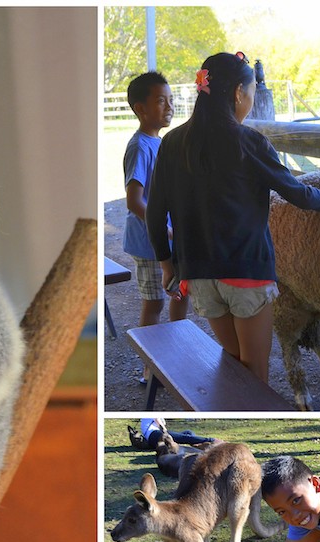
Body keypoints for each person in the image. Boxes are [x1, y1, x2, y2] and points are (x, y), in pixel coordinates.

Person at [146, 52, 320, 383]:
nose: (250, 99)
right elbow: (297, 192)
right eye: (250, 91)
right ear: (238, 92)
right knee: (256, 371)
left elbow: (154, 211)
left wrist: (167, 267)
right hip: (245, 270)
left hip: (199, 275)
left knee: (233, 361)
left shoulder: (173, 142)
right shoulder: (249, 142)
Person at [122, 71, 189, 384]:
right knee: (155, 302)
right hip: (151, 242)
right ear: (140, 109)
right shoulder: (140, 147)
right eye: (161, 101)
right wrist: (164, 227)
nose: (169, 107)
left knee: (180, 295)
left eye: (171, 100)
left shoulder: (160, 143)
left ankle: (173, 356)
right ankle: (150, 369)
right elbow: (134, 201)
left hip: (170, 237)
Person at [127, 417, 212, 450]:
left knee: (188, 433)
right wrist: (165, 432)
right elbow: (159, 423)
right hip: (155, 434)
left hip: (154, 437)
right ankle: (210, 440)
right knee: (182, 438)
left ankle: (196, 445)